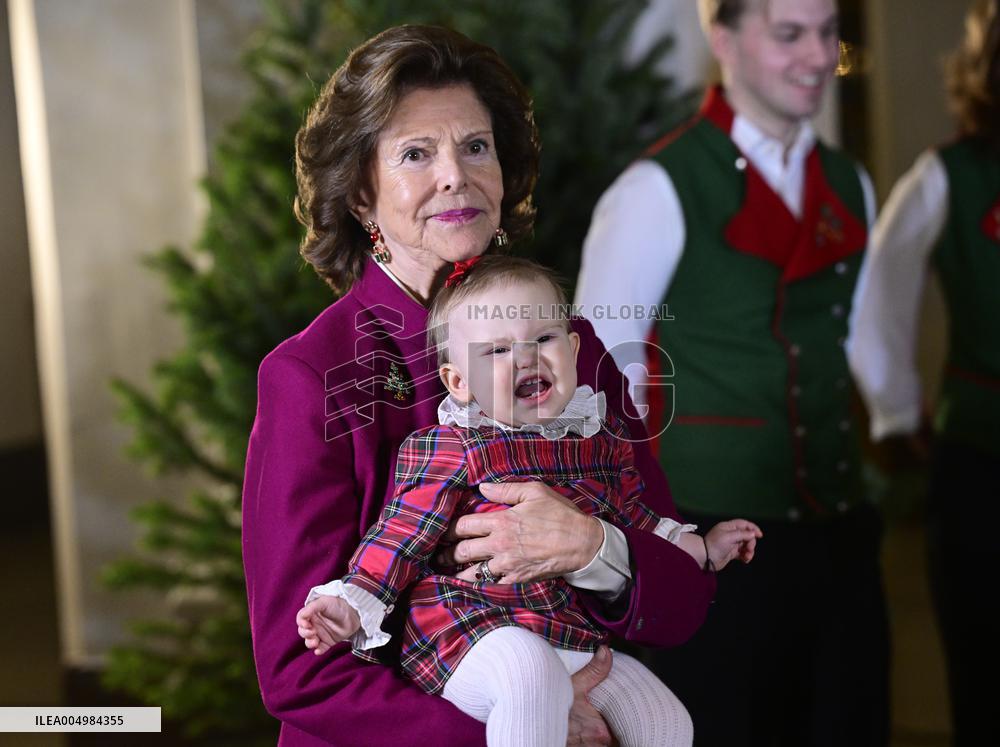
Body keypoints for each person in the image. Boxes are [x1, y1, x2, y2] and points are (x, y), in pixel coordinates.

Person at [242, 25, 717, 747]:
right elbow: (296, 671)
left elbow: (681, 602)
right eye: (415, 154)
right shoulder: (311, 375)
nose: (455, 176)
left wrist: (593, 547)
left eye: (475, 146)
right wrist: (528, 717)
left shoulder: (573, 346)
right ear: (362, 193)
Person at [575, 1, 889, 744]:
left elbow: (858, 339)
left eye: (826, 31)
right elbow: (598, 384)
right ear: (723, 39)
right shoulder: (657, 188)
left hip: (838, 527)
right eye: (789, 34)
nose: (818, 55)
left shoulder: (849, 181)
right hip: (712, 541)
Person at [296, 256, 763, 747]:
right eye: (498, 350)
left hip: (569, 633)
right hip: (471, 630)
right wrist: (353, 601)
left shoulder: (598, 439)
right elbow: (400, 532)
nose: (526, 359)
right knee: (529, 672)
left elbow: (636, 518)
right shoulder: (457, 445)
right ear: (459, 382)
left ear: (573, 350)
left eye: (543, 339)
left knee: (665, 719)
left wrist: (700, 548)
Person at [848, 1, 1000, 743]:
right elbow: (877, 294)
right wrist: (898, 411)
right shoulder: (952, 173)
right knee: (983, 663)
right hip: (981, 454)